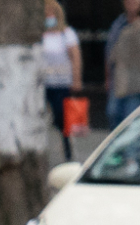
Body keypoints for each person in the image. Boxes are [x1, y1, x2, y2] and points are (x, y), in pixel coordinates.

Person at [41, 0, 84, 163]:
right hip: (44, 82)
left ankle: (68, 150)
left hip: (62, 82)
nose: (48, 15)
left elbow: (75, 57)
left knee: (62, 118)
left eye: (51, 12)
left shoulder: (67, 33)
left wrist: (77, 79)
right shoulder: (41, 34)